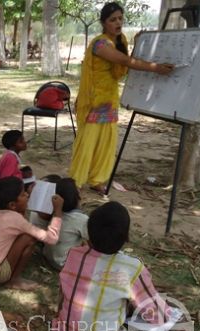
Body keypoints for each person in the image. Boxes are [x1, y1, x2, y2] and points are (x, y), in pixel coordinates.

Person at [51, 201, 174, 331]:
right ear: (126, 238)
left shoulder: (73, 254)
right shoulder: (132, 268)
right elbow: (158, 315)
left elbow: (63, 298)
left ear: (88, 233)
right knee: (151, 326)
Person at [69, 2, 173, 194]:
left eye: (120, 18)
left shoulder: (120, 41)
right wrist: (156, 68)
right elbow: (124, 61)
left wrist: (136, 43)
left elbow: (121, 70)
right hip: (94, 101)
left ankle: (97, 179)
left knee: (107, 144)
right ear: (103, 23)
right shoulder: (100, 44)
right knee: (87, 144)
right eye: (112, 20)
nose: (118, 23)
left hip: (109, 99)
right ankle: (76, 181)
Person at [0, 177, 64, 290]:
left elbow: (21, 220)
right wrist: (58, 211)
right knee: (29, 237)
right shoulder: (16, 220)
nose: (27, 195)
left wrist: (24, 200)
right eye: (23, 194)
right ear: (12, 205)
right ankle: (14, 280)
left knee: (24, 234)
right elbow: (51, 239)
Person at [31, 178, 89, 270]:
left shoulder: (53, 213)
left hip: (48, 256)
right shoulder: (81, 219)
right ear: (78, 198)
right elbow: (91, 241)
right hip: (65, 263)